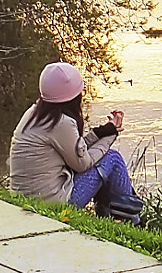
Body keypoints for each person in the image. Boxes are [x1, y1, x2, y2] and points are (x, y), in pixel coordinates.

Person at [9, 61, 142, 221]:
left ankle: (112, 217)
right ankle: (131, 220)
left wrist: (101, 132)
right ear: (73, 97)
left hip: (22, 199)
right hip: (53, 204)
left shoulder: (34, 114)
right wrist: (110, 136)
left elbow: (74, 151)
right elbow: (82, 164)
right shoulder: (61, 122)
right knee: (112, 159)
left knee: (105, 161)